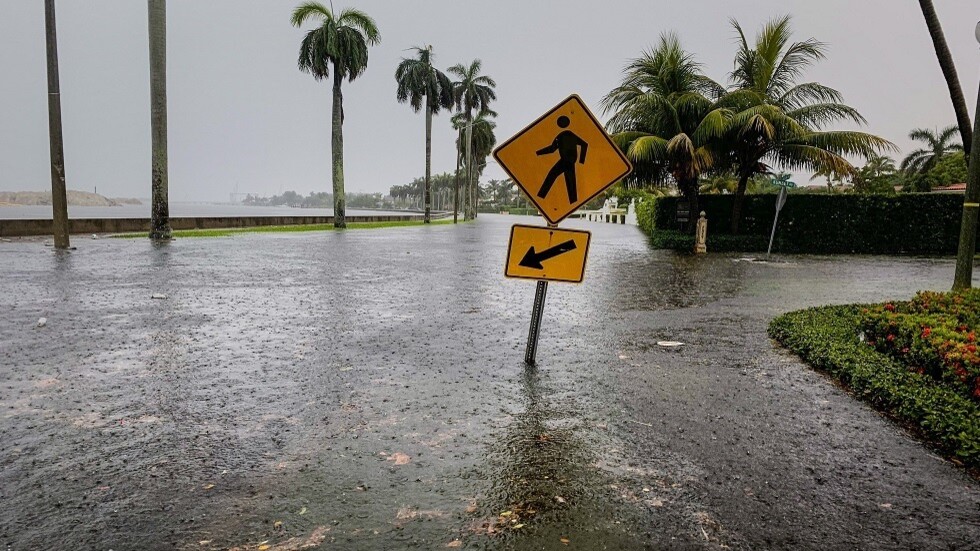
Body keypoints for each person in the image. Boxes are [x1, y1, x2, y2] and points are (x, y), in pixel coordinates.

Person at [535, 116, 588, 203]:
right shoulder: (562, 136)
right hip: (569, 162)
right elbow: (552, 149)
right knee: (570, 183)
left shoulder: (565, 135)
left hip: (566, 161)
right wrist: (538, 153)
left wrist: (581, 160)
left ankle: (541, 196)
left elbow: (584, 144)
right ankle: (573, 202)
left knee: (552, 176)